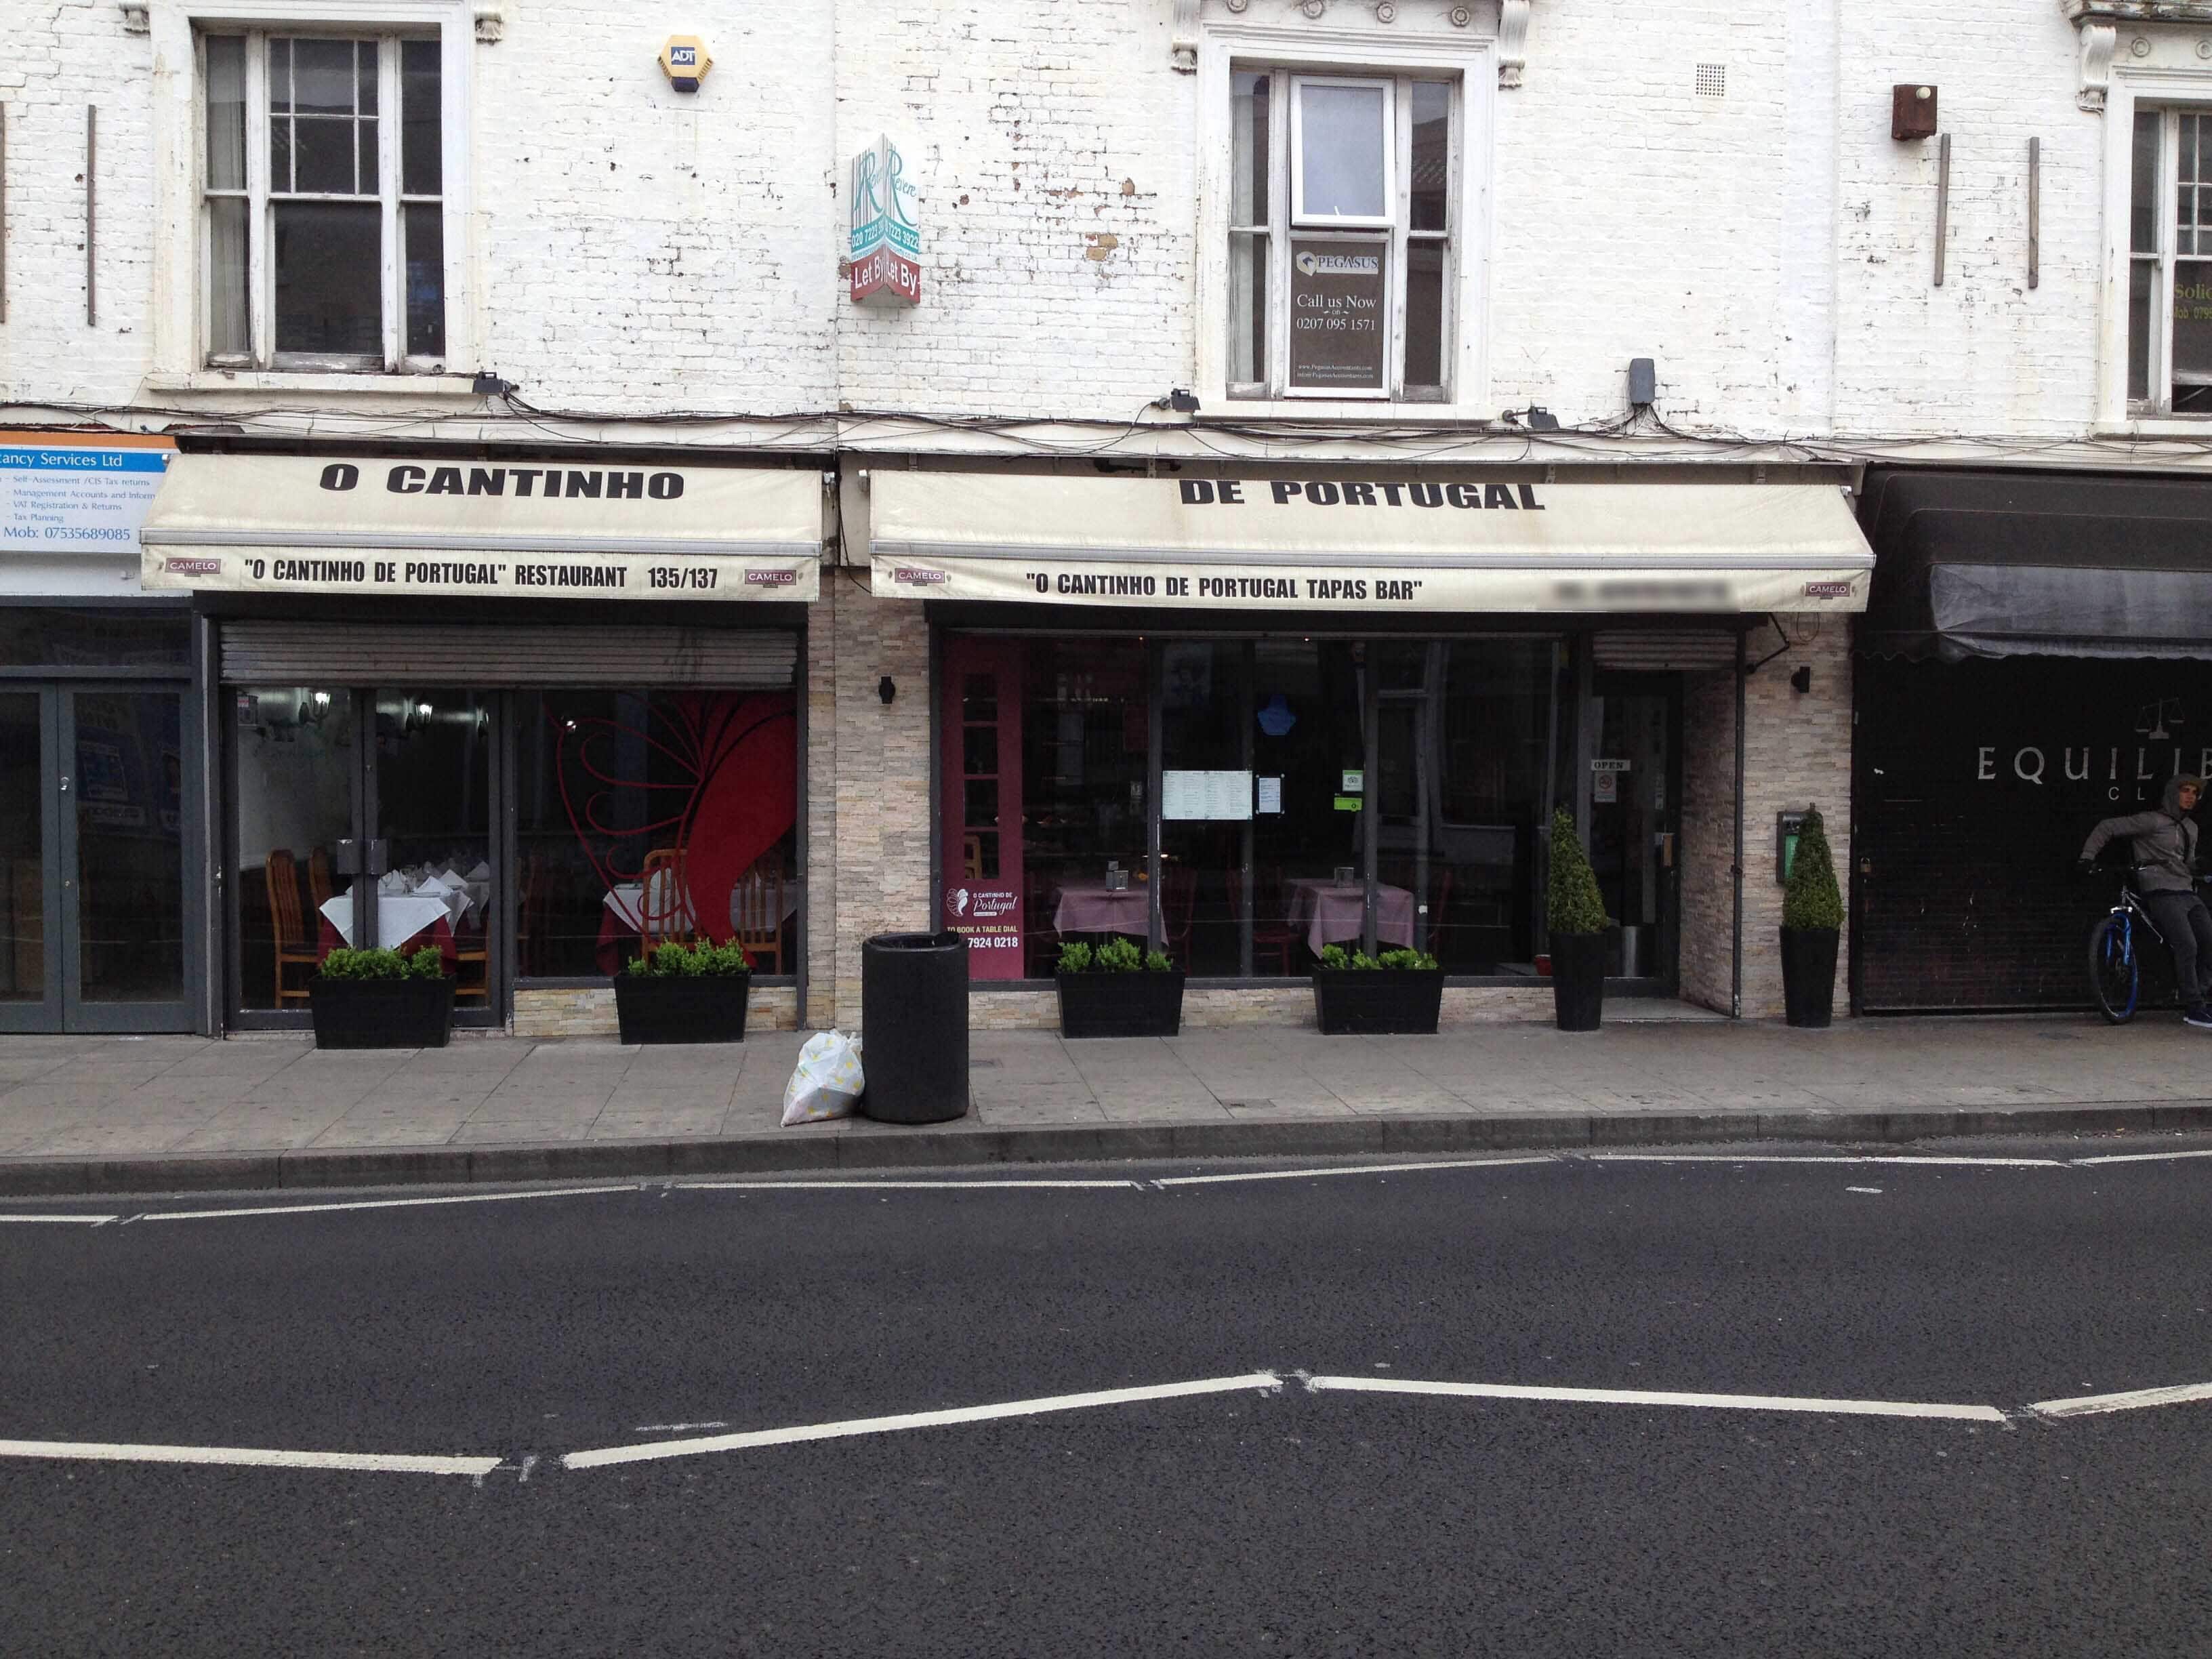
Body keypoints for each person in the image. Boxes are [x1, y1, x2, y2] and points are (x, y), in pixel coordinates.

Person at [2080, 775, 2212, 1027]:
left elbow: (2187, 862)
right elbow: (2107, 827)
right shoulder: (2151, 821)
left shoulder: (2192, 828)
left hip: (2187, 892)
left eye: (2194, 793)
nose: (2190, 797)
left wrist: (2199, 867)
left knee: (2209, 942)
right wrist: (2087, 857)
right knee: (2187, 944)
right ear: (2173, 793)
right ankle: (2194, 1006)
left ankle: (2201, 995)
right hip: (2161, 891)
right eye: (2185, 790)